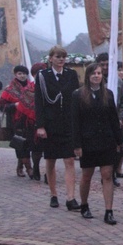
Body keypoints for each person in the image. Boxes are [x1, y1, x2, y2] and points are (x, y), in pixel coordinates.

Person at [71, 63, 123, 225]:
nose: (96, 76)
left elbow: (113, 120)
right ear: (88, 76)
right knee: (87, 176)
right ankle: (84, 205)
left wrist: (121, 142)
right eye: (93, 73)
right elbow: (75, 122)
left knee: (107, 175)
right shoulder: (78, 95)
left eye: (99, 73)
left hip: (106, 141)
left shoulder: (108, 94)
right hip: (87, 142)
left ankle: (109, 211)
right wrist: (77, 145)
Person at [35, 46, 80, 210]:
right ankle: (53, 194)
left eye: (63, 57)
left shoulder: (71, 75)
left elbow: (76, 98)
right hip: (50, 123)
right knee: (51, 160)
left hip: (67, 123)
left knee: (69, 160)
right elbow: (39, 101)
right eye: (58, 56)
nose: (61, 59)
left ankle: (71, 197)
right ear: (50, 58)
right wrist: (40, 125)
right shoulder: (42, 76)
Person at [94, 52, 123, 187]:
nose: (104, 67)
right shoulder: (94, 80)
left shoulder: (118, 81)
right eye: (102, 64)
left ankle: (112, 174)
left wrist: (120, 118)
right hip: (98, 123)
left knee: (115, 150)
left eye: (107, 64)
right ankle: (104, 173)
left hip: (115, 122)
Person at [0, 65, 36, 177]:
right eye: (20, 73)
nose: (22, 76)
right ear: (15, 75)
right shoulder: (9, 89)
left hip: (29, 119)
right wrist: (15, 105)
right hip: (15, 120)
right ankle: (29, 168)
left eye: (24, 73)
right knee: (20, 143)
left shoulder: (32, 87)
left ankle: (20, 166)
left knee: (28, 143)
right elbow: (1, 106)